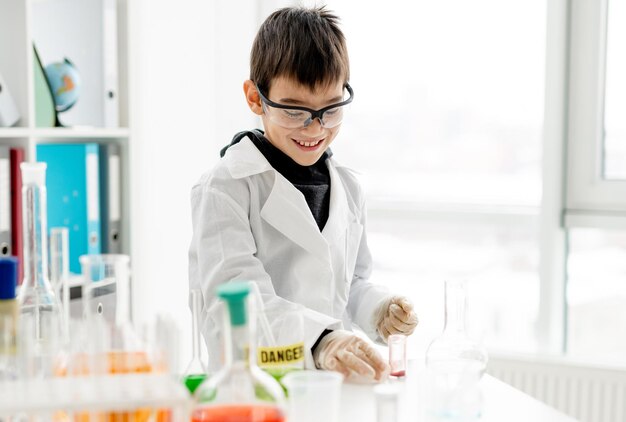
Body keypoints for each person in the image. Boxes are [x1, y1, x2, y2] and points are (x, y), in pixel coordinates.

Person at [189, 6, 418, 382]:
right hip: (253, 390)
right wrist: (321, 342)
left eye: (330, 109)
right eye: (294, 111)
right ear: (255, 98)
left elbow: (351, 284)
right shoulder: (226, 187)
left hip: (332, 388)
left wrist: (379, 309)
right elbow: (238, 306)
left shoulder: (348, 187)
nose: (315, 127)